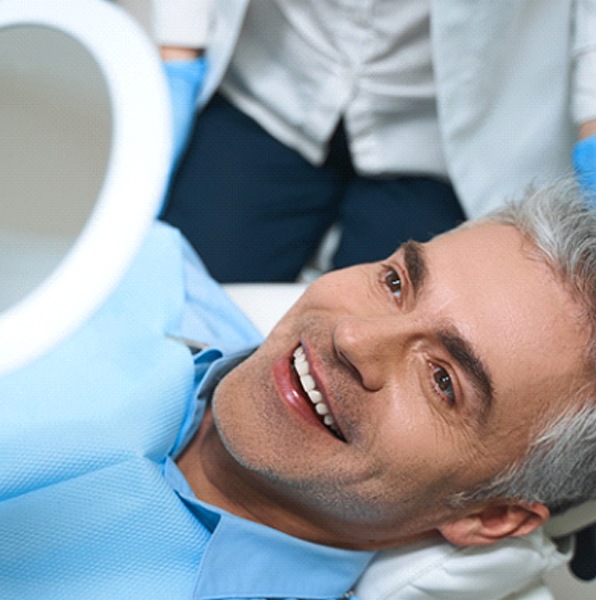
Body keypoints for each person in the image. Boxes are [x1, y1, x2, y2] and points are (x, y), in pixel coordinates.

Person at [1, 178, 594, 598]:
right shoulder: (136, 264)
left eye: (442, 380)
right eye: (395, 282)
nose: (354, 339)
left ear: (490, 516)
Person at [152, 0, 596, 283]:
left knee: (385, 365)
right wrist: (176, 50)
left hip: (439, 139)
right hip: (272, 86)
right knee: (180, 304)